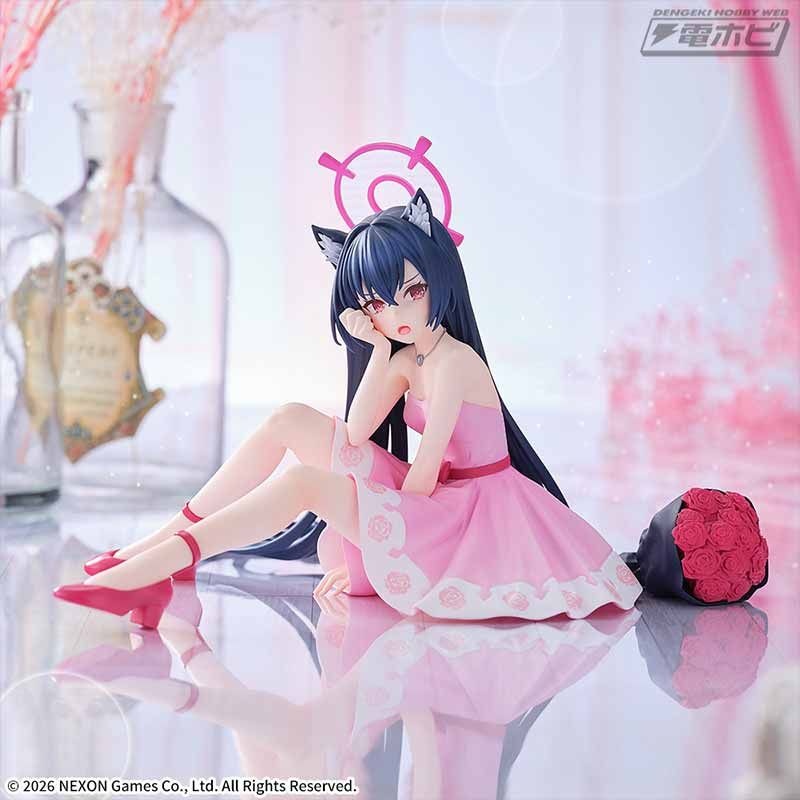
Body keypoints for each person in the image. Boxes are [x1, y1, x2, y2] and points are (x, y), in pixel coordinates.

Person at [53, 187, 643, 627]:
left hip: (464, 509)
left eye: (412, 291)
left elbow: (423, 476)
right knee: (289, 418)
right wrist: (377, 350)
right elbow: (357, 433)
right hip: (434, 493)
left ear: (441, 278)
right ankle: (163, 546)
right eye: (378, 305)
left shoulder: (458, 363)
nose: (397, 314)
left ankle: (157, 567)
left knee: (306, 485)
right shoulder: (408, 357)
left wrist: (373, 536)